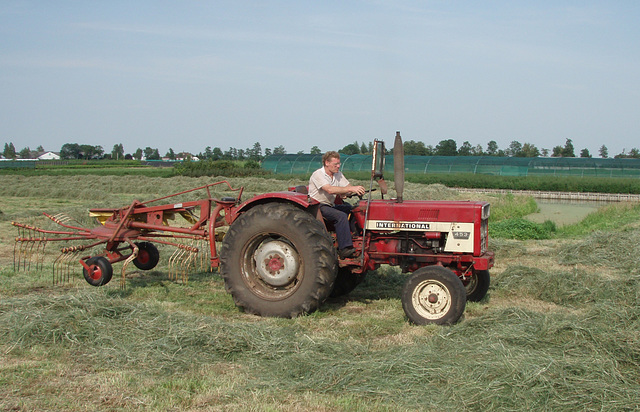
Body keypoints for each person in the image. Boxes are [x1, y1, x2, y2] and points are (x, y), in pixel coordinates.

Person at [309, 151, 366, 259]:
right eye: (335, 164)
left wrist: (354, 191)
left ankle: (357, 238)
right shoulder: (318, 174)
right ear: (327, 163)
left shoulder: (338, 174)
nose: (338, 166)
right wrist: (349, 189)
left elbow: (347, 187)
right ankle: (344, 249)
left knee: (353, 210)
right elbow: (329, 190)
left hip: (330, 205)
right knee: (340, 216)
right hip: (318, 206)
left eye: (339, 164)